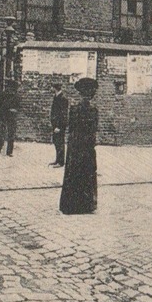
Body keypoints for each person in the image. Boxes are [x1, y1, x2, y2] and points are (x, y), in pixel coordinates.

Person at [59, 77, 99, 215]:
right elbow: (93, 131)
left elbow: (71, 128)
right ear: (91, 93)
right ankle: (86, 205)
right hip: (87, 146)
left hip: (75, 145)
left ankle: (71, 205)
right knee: (86, 173)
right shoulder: (93, 110)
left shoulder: (74, 109)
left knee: (74, 173)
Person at [0, 78, 20, 157]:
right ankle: (9, 152)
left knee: (3, 134)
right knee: (10, 134)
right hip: (11, 117)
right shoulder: (15, 95)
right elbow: (18, 106)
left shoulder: (3, 94)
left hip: (4, 116)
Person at [50, 80, 70, 167]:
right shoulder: (56, 97)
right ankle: (57, 160)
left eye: (52, 87)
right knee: (56, 142)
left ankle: (61, 162)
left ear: (55, 88)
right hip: (55, 125)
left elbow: (63, 114)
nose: (50, 89)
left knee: (60, 142)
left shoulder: (63, 99)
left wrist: (59, 126)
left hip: (59, 125)